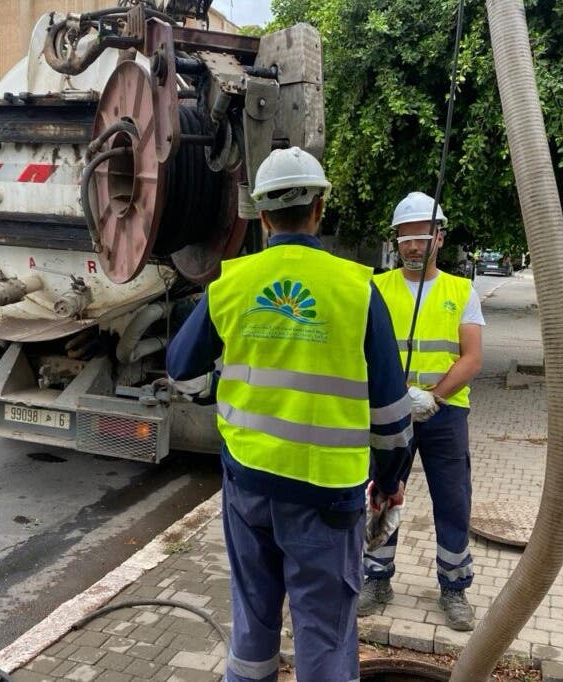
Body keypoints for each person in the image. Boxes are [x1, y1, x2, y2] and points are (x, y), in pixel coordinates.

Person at [167, 147, 413, 682]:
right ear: (319, 207)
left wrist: (222, 388)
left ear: (261, 213)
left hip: (248, 487)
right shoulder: (356, 289)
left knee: (253, 621)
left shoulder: (231, 282)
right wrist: (390, 483)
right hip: (327, 498)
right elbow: (393, 418)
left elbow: (181, 374)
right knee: (323, 633)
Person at [359, 191, 485, 631]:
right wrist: (395, 398)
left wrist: (434, 396)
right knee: (380, 492)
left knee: (453, 500)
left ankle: (454, 588)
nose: (413, 246)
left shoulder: (461, 290)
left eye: (422, 236)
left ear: (440, 238)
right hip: (390, 413)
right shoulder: (376, 288)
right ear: (396, 241)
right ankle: (376, 578)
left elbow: (471, 357)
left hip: (445, 414)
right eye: (405, 238)